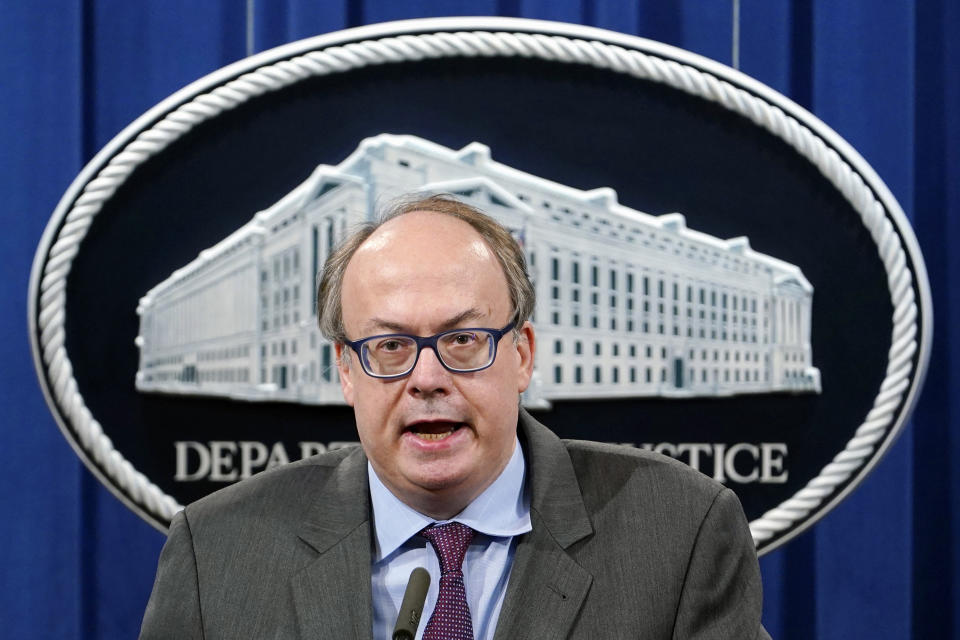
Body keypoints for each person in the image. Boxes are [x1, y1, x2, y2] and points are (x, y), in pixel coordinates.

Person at [140, 194, 770, 639]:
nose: (427, 378)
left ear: (521, 354)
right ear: (346, 371)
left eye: (463, 340)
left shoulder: (678, 532)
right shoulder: (218, 552)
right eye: (389, 346)